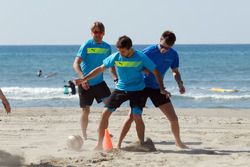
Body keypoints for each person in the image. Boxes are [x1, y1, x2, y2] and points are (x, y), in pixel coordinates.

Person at [75, 35, 169, 150]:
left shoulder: (140, 56)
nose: (121, 53)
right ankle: (99, 144)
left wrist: (162, 88)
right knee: (105, 114)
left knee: (137, 116)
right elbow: (100, 68)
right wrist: (84, 79)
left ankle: (141, 143)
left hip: (138, 90)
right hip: (121, 88)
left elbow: (155, 71)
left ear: (130, 48)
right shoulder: (116, 56)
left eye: (123, 51)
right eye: (119, 50)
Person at [116, 31, 187, 149]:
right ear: (160, 39)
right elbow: (134, 63)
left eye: (168, 48)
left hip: (157, 88)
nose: (165, 50)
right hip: (141, 87)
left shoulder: (173, 54)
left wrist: (180, 83)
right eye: (163, 46)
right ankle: (118, 144)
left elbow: (175, 71)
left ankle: (178, 142)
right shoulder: (148, 51)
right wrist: (142, 71)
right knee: (132, 116)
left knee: (173, 118)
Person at [73, 21, 112, 140]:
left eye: (100, 32)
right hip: (85, 83)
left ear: (103, 33)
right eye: (95, 32)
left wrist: (116, 78)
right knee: (86, 110)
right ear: (91, 33)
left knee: (110, 106)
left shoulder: (107, 47)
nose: (97, 34)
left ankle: (103, 130)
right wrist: (82, 79)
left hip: (99, 82)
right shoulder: (86, 45)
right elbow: (75, 63)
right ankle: (84, 134)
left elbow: (109, 65)